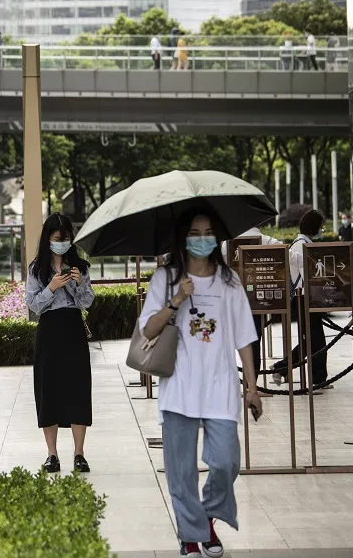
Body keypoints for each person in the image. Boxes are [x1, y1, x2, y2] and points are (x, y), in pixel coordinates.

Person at [139, 207, 261, 558]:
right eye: (195, 232)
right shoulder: (165, 278)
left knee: (226, 462)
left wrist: (251, 387)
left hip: (220, 387)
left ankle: (205, 515)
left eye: (208, 232)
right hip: (178, 389)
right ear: (183, 237)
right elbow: (148, 329)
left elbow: (243, 337)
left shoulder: (230, 281)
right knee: (181, 472)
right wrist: (176, 300)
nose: (202, 239)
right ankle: (191, 535)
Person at [25, 213, 95, 474]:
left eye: (65, 239)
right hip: (49, 330)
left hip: (73, 328)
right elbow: (33, 305)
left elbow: (87, 302)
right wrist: (51, 287)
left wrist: (78, 284)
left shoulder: (81, 266)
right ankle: (51, 454)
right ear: (48, 239)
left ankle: (79, 453)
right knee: (48, 390)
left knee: (78, 387)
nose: (61, 243)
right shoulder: (36, 269)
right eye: (57, 239)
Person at [272, 210, 328, 386]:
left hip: (307, 298)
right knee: (313, 340)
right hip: (303, 297)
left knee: (314, 341)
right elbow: (305, 272)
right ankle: (282, 367)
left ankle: (317, 377)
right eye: (320, 226)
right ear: (314, 226)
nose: (322, 230)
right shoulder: (300, 245)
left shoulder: (304, 243)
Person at [221, 226, 282, 377]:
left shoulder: (227, 244)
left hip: (232, 297)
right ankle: (252, 381)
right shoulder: (266, 241)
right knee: (254, 339)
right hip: (256, 297)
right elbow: (285, 253)